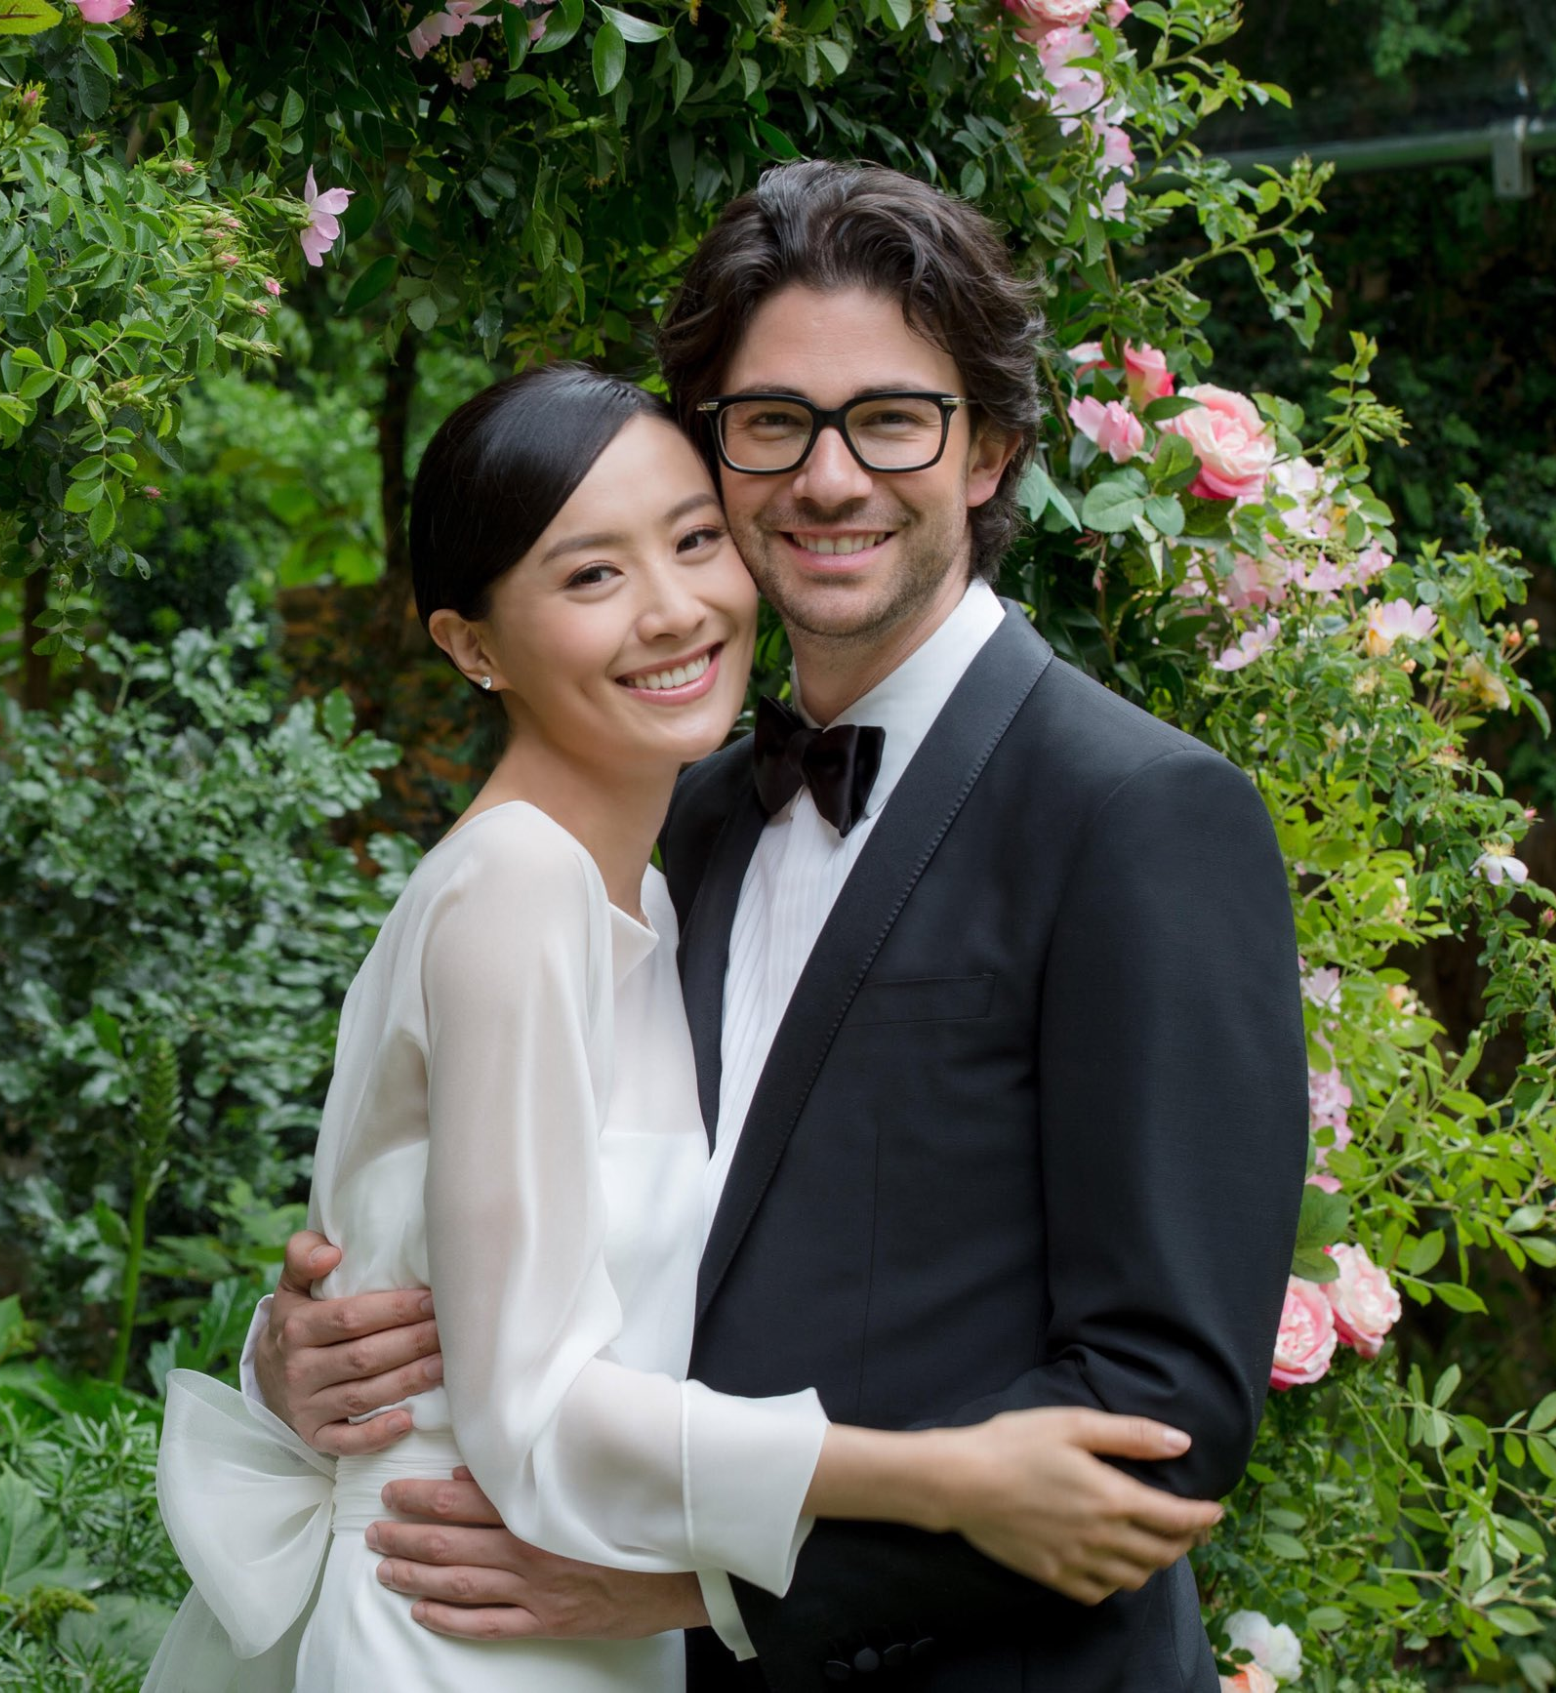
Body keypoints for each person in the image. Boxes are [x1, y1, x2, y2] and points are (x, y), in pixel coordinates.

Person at [245, 162, 1309, 1690]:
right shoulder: (676, 823)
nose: (827, 478)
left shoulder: (1136, 815)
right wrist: (305, 1355)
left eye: (891, 419)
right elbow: (544, 1234)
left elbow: (1158, 1419)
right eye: (771, 423)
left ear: (990, 450)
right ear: (713, 451)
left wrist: (699, 1590)